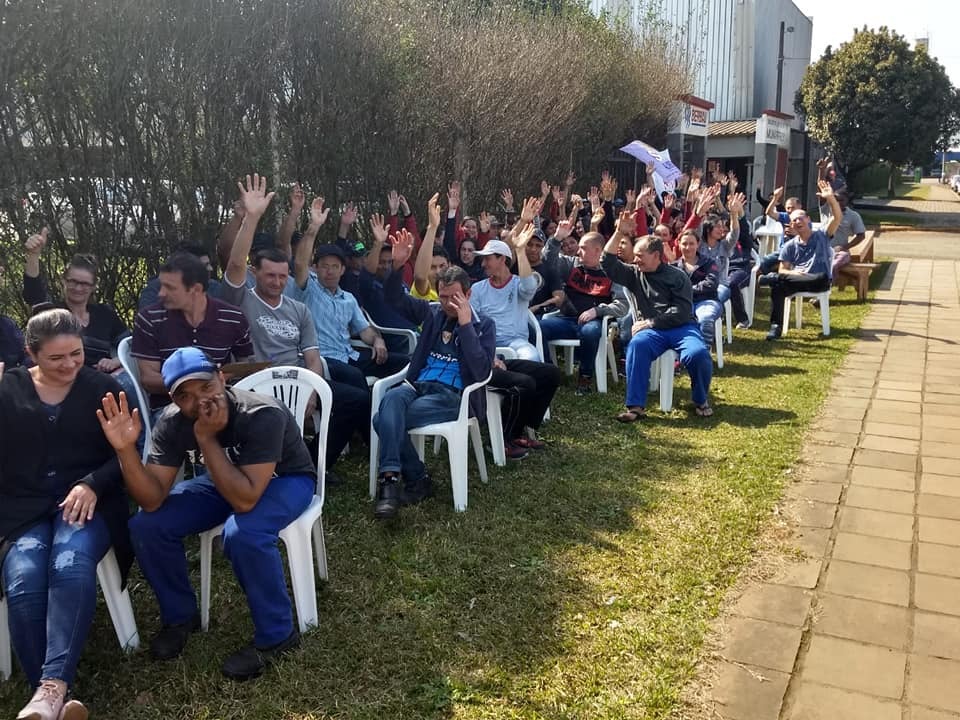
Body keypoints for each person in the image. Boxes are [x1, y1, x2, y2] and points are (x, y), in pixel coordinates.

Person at [97, 346, 316, 680]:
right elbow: (152, 498)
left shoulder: (260, 413)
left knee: (244, 533)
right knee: (147, 525)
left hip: (284, 480)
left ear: (221, 377)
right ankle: (180, 616)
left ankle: (278, 635)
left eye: (206, 387)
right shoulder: (172, 422)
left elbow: (244, 501)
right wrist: (125, 451)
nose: (200, 402)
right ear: (172, 398)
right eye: (185, 396)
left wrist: (207, 439)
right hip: (225, 481)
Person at [1, 309, 131, 720]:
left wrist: (92, 481)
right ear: (30, 353)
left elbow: (125, 457)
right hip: (22, 508)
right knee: (23, 574)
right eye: (56, 358)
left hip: (88, 502)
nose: (70, 364)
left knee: (70, 561)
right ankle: (53, 693)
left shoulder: (102, 388)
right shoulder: (8, 389)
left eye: (75, 354)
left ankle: (47, 691)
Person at [221, 175, 370, 481]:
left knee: (355, 399)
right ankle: (284, 463)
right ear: (255, 273)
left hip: (299, 380)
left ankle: (315, 465)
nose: (277, 282)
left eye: (282, 276)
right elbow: (234, 264)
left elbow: (313, 357)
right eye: (270, 276)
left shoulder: (298, 309)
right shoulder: (242, 299)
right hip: (257, 385)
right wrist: (251, 217)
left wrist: (315, 390)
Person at [373, 261, 496, 519]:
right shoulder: (432, 314)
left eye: (455, 297)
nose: (448, 303)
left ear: (468, 294)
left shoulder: (483, 324)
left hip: (452, 396)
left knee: (381, 419)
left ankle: (394, 482)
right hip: (418, 386)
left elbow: (482, 372)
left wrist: (465, 326)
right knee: (392, 398)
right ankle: (407, 478)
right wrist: (396, 266)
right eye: (443, 297)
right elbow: (393, 299)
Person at [601, 217, 713, 419]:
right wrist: (618, 232)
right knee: (637, 346)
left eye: (640, 256)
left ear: (656, 255)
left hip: (682, 327)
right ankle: (635, 407)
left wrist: (651, 322)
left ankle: (700, 399)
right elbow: (607, 262)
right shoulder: (634, 273)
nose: (635, 260)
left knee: (698, 354)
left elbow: (681, 311)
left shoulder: (678, 277)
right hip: (652, 332)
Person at [465, 221, 561, 456]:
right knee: (523, 380)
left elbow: (529, 288)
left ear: (502, 260)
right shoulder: (477, 289)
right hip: (488, 347)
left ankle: (525, 427)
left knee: (540, 365)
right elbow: (472, 326)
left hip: (516, 342)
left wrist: (520, 249)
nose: (484, 263)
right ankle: (508, 432)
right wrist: (489, 354)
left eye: (488, 258)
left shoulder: (518, 283)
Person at [288, 217, 408, 392]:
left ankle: (391, 406)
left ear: (343, 270)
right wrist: (313, 227)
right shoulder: (308, 290)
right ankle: (367, 414)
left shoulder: (348, 298)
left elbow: (364, 330)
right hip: (322, 359)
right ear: (316, 268)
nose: (329, 271)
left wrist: (378, 340)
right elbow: (299, 264)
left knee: (403, 362)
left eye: (335, 266)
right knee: (356, 378)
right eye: (324, 266)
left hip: (349, 354)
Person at [132, 251, 254, 413]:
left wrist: (215, 383)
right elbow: (148, 380)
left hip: (222, 403)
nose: (160, 293)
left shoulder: (233, 318)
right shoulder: (150, 319)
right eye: (161, 285)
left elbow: (244, 366)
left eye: (169, 287)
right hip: (170, 408)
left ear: (195, 289)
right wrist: (202, 382)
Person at [23, 230, 135, 397]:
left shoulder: (104, 314)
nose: (78, 288)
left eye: (84, 284)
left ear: (93, 286)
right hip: (63, 382)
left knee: (126, 383)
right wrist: (33, 255)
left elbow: (130, 345)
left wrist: (115, 362)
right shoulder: (53, 313)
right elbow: (33, 293)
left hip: (104, 383)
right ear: (64, 280)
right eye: (73, 281)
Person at [539, 222, 627, 395]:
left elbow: (622, 305)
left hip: (593, 323)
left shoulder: (613, 272)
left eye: (583, 248)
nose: (578, 251)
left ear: (598, 251)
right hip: (568, 319)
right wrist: (557, 238)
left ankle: (585, 376)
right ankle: (550, 372)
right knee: (538, 328)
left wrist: (598, 311)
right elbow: (547, 260)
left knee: (590, 332)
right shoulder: (572, 264)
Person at [760, 180, 843, 340]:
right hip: (797, 280)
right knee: (778, 286)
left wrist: (831, 198)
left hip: (819, 280)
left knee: (780, 280)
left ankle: (769, 279)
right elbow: (783, 270)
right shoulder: (789, 246)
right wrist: (795, 273)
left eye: (801, 218)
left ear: (808, 219)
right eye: (794, 220)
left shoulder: (822, 235)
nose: (798, 222)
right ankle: (775, 327)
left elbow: (837, 218)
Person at [138, 243, 223, 310]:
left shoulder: (214, 287)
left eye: (209, 264)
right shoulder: (154, 291)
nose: (210, 269)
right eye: (204, 266)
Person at [673, 229, 723, 340]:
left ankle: (705, 351)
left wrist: (686, 289)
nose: (688, 247)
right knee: (680, 320)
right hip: (683, 303)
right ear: (678, 244)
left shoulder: (709, 263)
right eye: (684, 244)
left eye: (691, 244)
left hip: (707, 300)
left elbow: (711, 283)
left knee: (706, 318)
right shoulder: (673, 266)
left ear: (698, 244)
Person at [819, 189, 865, 277]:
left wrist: (845, 247)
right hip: (823, 250)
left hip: (840, 252)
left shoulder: (853, 216)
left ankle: (828, 284)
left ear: (847, 201)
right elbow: (822, 198)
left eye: (841, 200)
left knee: (833, 265)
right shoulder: (825, 210)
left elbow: (861, 235)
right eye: (836, 200)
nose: (838, 202)